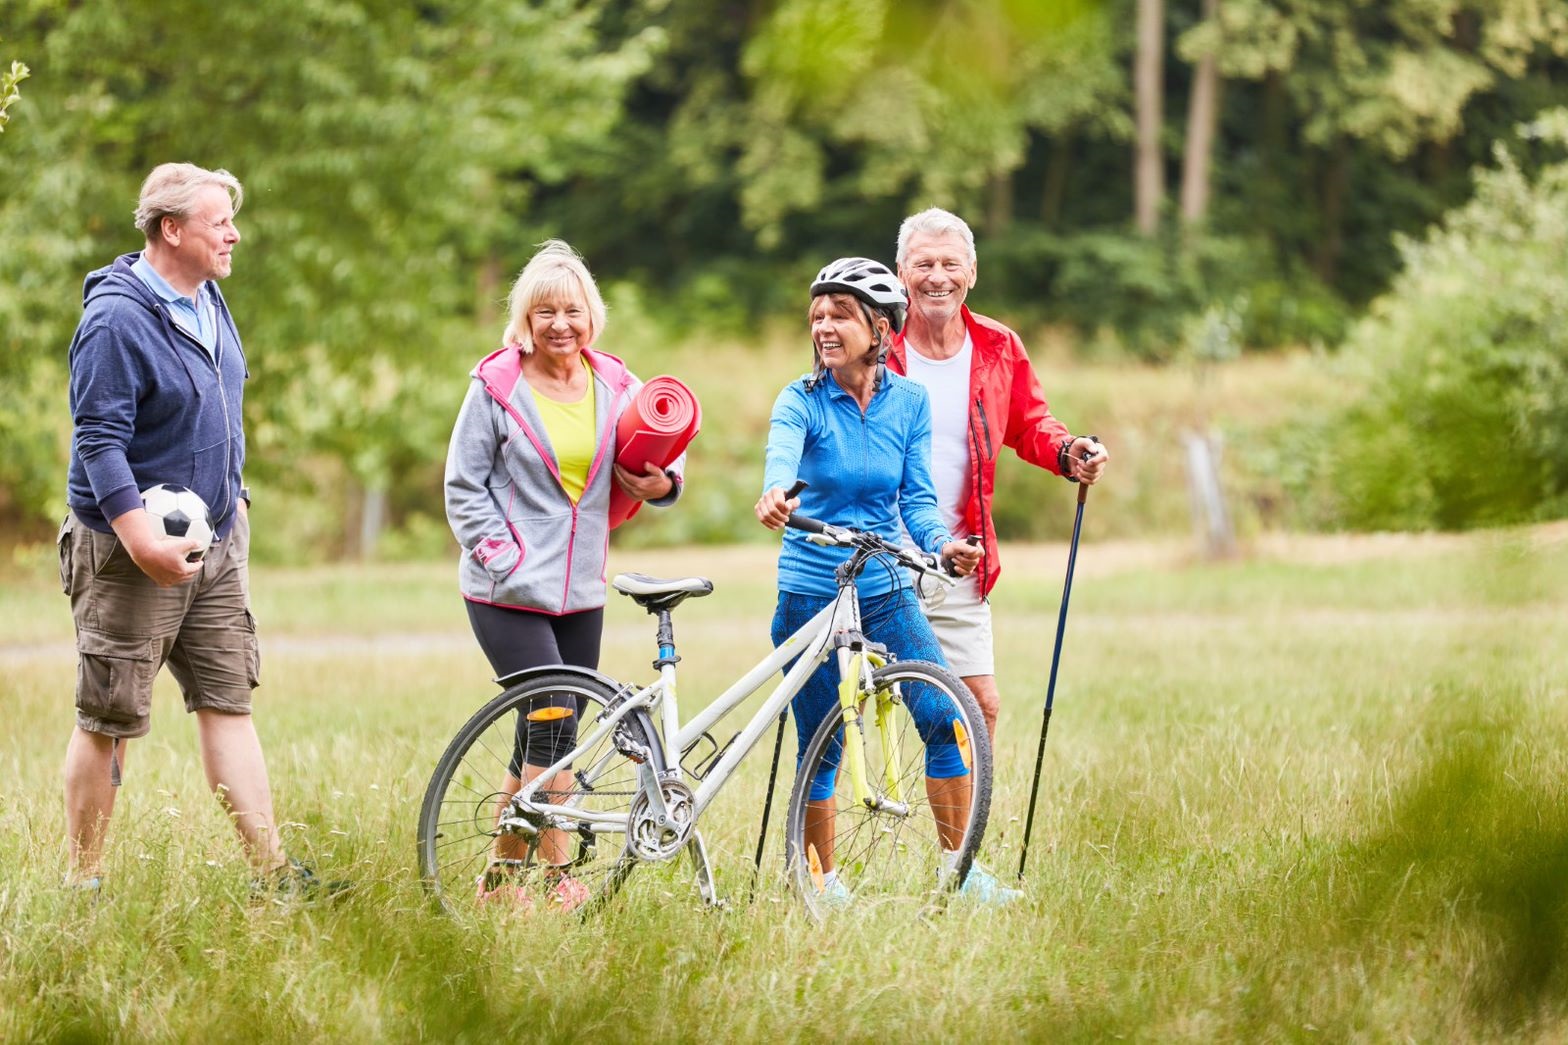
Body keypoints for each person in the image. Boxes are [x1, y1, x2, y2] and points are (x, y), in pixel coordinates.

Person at [61, 162, 322, 895]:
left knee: (228, 699)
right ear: (171, 229)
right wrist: (142, 539)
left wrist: (234, 500)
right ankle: (83, 881)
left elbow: (222, 405)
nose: (234, 233)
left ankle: (274, 876)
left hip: (214, 541)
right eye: (219, 221)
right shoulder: (114, 320)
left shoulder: (208, 297)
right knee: (108, 716)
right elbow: (99, 439)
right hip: (127, 552)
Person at [755, 257, 1030, 905]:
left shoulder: (910, 401)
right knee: (820, 741)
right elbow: (781, 456)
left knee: (945, 714)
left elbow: (919, 501)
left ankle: (960, 873)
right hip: (811, 589)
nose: (824, 325)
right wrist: (776, 494)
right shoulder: (801, 399)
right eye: (817, 314)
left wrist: (944, 545)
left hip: (884, 583)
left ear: (880, 327)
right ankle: (818, 882)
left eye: (840, 315)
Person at [444, 239, 683, 911]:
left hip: (580, 591)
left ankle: (496, 879)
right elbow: (463, 486)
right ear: (526, 317)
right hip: (506, 590)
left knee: (544, 731)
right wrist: (504, 559)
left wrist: (664, 481)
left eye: (572, 310)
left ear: (591, 316)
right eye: (544, 310)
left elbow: (656, 453)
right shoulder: (497, 385)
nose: (560, 324)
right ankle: (558, 875)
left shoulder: (615, 382)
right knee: (553, 722)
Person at [890, 208, 1109, 742]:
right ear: (901, 273)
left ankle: (967, 829)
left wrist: (1069, 450)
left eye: (950, 263)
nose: (936, 276)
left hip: (962, 556)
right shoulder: (876, 347)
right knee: (857, 711)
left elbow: (1030, 423)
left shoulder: (998, 347)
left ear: (972, 272)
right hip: (882, 552)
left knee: (978, 708)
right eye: (923, 264)